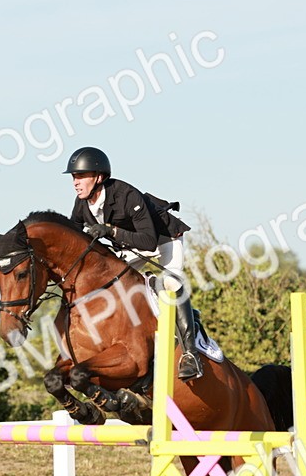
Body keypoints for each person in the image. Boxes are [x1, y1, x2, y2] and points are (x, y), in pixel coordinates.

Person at [63, 146, 202, 380]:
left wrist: (110, 230)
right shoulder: (82, 204)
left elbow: (148, 242)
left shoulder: (126, 195)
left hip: (163, 240)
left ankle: (191, 354)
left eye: (81, 176)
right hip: (129, 246)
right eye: (74, 177)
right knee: (111, 287)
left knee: (169, 284)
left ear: (98, 177)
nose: (76, 182)